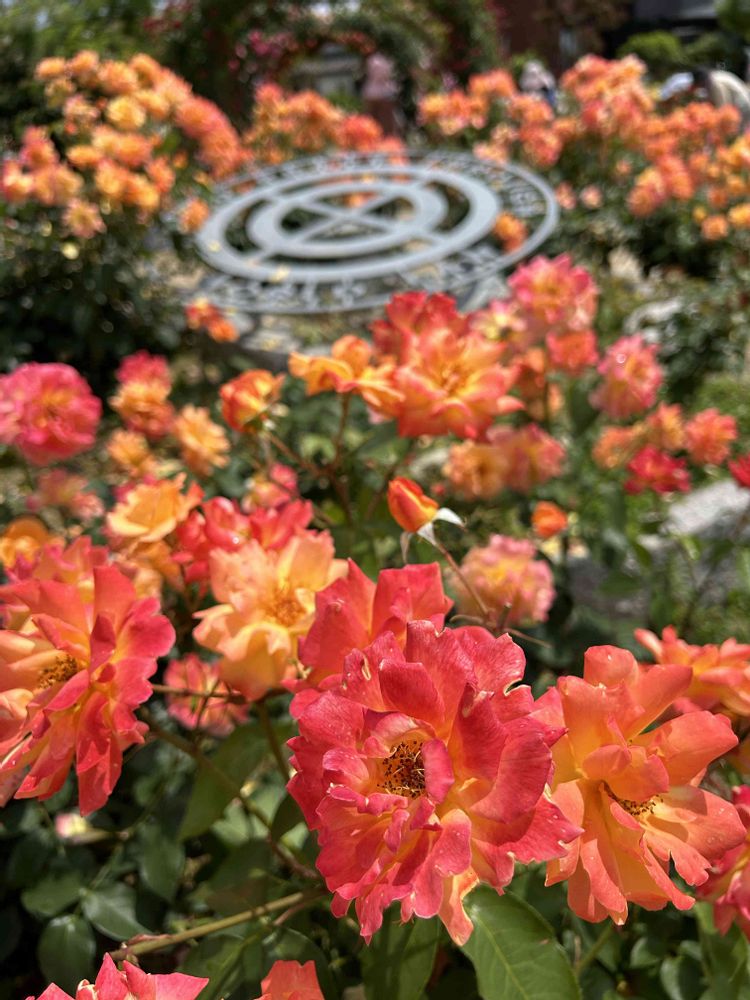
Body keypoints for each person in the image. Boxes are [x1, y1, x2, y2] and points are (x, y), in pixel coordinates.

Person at [363, 51, 401, 136]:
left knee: (385, 123)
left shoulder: (373, 60)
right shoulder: (379, 60)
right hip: (379, 93)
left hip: (378, 93)